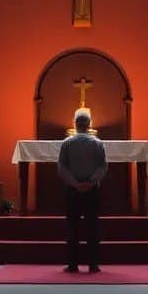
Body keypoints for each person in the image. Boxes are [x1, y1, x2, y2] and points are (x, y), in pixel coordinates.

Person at [58, 109, 106, 273]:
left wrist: (75, 184)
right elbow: (102, 166)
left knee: (72, 226)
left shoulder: (67, 143)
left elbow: (62, 167)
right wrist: (91, 182)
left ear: (75, 124)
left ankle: (73, 265)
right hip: (92, 191)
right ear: (89, 125)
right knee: (92, 226)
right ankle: (93, 265)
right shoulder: (97, 143)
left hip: (72, 190)